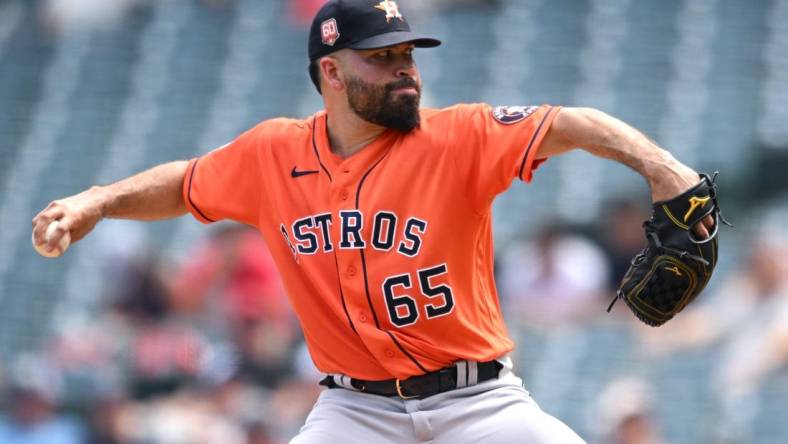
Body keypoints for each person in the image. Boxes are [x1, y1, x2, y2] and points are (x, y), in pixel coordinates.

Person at [32, 1, 715, 442]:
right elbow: (184, 183)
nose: (404, 71)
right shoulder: (274, 153)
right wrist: (99, 198)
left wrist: (661, 168)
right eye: (382, 57)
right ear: (330, 71)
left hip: (478, 404)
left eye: (407, 55)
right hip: (354, 413)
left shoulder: (457, 137)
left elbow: (571, 124)